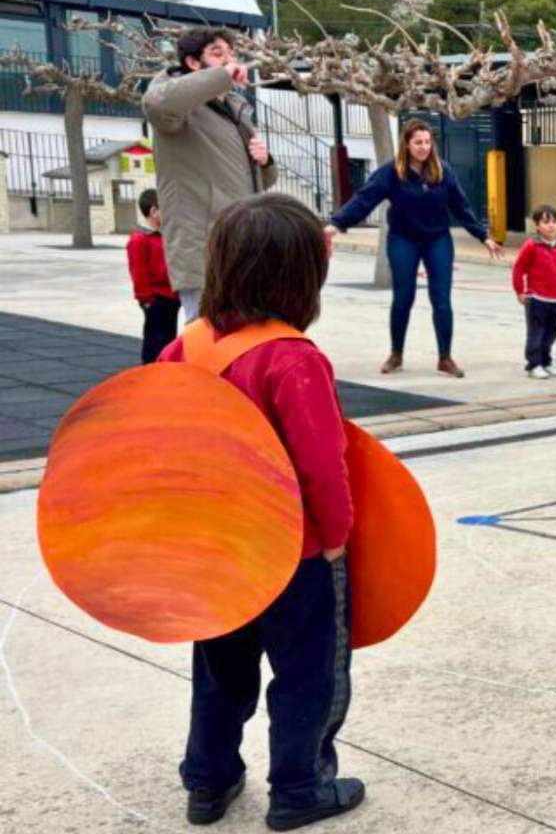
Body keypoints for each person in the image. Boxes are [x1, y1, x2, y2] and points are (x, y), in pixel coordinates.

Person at [157, 195, 365, 831]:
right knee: (307, 676)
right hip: (292, 554)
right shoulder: (294, 359)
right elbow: (322, 467)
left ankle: (208, 782)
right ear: (301, 277)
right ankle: (300, 788)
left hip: (216, 553)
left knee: (219, 671)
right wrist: (335, 538)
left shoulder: (184, 349)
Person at [325, 120, 502, 378]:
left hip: (437, 239)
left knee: (441, 300)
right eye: (418, 142)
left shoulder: (443, 171)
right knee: (403, 298)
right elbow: (365, 198)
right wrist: (337, 224)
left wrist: (483, 236)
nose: (423, 147)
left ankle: (445, 358)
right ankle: (396, 354)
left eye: (427, 142)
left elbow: (461, 207)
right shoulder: (391, 173)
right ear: (407, 144)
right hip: (403, 239)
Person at [141, 27, 277, 323]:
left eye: (231, 54)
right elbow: (157, 103)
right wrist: (222, 74)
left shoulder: (233, 108)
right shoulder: (175, 101)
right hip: (203, 245)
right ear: (192, 63)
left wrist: (265, 162)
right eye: (218, 54)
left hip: (242, 243)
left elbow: (259, 183)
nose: (230, 61)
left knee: (242, 335)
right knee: (205, 334)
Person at [511, 205, 556, 379]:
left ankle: (546, 362)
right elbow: (518, 269)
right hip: (537, 299)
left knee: (552, 332)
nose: (551, 225)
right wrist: (520, 291)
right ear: (537, 226)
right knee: (536, 333)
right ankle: (534, 364)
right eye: (546, 222)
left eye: (554, 221)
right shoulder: (531, 246)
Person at [126, 188, 179, 364]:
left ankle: (163, 370)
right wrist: (146, 299)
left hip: (171, 296)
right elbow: (138, 272)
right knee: (155, 339)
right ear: (154, 211)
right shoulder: (140, 239)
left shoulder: (164, 237)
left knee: (169, 337)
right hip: (156, 298)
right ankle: (150, 369)